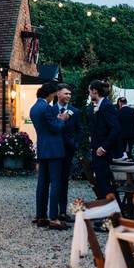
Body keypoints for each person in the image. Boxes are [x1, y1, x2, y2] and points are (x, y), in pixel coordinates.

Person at [30, 82, 71, 229]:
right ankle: (54, 218)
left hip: (42, 148)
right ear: (49, 94)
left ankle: (40, 216)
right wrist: (62, 120)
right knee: (55, 183)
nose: (54, 97)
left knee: (42, 183)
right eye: (54, 94)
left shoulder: (34, 108)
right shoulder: (46, 108)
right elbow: (55, 128)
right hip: (54, 149)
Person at [88, 79, 121, 199]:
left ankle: (111, 209)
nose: (89, 94)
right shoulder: (99, 105)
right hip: (97, 149)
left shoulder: (107, 106)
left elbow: (115, 128)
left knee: (105, 181)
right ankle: (107, 207)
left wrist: (104, 147)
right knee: (102, 181)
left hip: (104, 152)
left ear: (94, 91)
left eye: (90, 92)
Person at [55, 84, 82, 222]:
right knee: (54, 181)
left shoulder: (75, 111)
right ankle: (53, 212)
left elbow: (79, 130)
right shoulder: (51, 110)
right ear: (58, 94)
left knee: (64, 181)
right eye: (66, 93)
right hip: (54, 151)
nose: (68, 96)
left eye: (70, 94)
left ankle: (63, 212)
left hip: (68, 151)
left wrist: (75, 144)